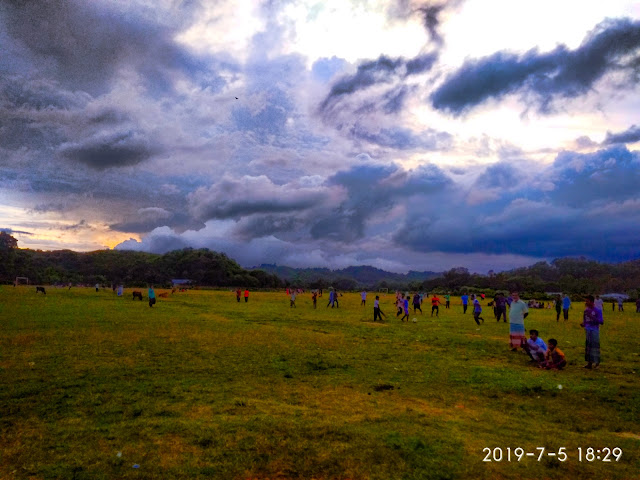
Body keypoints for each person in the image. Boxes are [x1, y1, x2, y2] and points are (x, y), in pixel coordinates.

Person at [581, 295, 604, 369]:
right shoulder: (586, 310)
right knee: (588, 347)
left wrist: (592, 317)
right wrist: (583, 324)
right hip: (588, 330)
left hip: (595, 330)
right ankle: (589, 363)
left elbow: (601, 321)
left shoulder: (597, 310)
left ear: (591, 301)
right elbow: (585, 320)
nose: (586, 302)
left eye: (587, 301)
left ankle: (597, 363)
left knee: (595, 346)